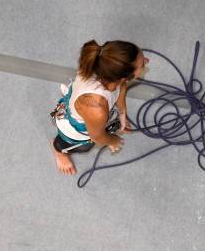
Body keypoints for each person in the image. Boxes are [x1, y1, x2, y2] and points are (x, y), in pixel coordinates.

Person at [51, 40, 149, 175]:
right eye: (143, 63)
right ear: (125, 76)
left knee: (98, 121)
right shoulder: (97, 107)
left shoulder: (107, 69)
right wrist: (114, 141)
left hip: (90, 112)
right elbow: (97, 137)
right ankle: (59, 151)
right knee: (82, 146)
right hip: (75, 127)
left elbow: (121, 89)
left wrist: (122, 114)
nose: (147, 60)